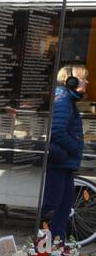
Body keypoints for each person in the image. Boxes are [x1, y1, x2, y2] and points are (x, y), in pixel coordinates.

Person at [41, 63, 88, 241]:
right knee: (52, 203)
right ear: (71, 80)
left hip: (64, 163)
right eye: (84, 78)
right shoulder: (63, 100)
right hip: (59, 162)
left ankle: (57, 245)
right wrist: (76, 147)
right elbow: (57, 130)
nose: (87, 81)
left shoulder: (68, 99)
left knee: (64, 203)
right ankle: (39, 243)